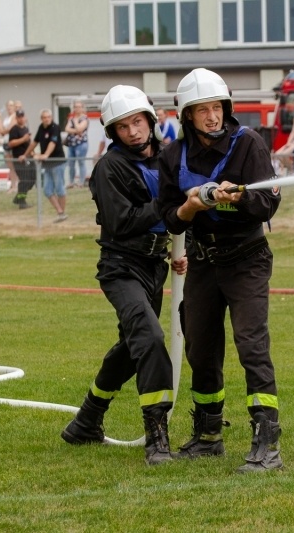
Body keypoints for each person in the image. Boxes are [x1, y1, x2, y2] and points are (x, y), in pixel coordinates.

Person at [158, 68, 284, 473]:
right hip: (202, 261)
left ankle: (267, 442)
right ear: (187, 115)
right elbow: (169, 217)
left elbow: (268, 204)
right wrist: (190, 206)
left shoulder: (248, 144)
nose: (212, 117)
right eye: (202, 110)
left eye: (217, 108)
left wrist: (237, 197)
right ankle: (208, 435)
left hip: (247, 258)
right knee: (200, 346)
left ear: (226, 109)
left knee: (251, 345)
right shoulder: (172, 156)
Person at [60, 84, 187, 466]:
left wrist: (185, 250)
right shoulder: (109, 168)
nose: (133, 131)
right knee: (149, 338)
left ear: (150, 119)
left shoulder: (169, 157)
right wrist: (168, 207)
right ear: (112, 132)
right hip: (121, 268)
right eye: (123, 126)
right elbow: (122, 222)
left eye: (137, 122)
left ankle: (87, 421)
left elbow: (186, 210)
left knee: (133, 348)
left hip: (155, 266)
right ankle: (157, 440)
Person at [20, 109, 68, 223]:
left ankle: (62, 214)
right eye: (44, 117)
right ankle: (60, 212)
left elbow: (52, 143)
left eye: (48, 117)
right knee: (47, 190)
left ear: (51, 117)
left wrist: (45, 155)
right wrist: (25, 155)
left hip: (57, 162)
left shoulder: (55, 127)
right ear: (41, 119)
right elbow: (34, 142)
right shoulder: (41, 128)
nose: (47, 119)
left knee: (60, 189)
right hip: (47, 165)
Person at [8, 109, 35, 209]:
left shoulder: (26, 129)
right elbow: (11, 143)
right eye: (19, 117)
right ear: (16, 118)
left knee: (32, 178)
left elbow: (29, 143)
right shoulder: (14, 129)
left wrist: (32, 152)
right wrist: (23, 139)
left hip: (28, 157)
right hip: (19, 159)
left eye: (22, 116)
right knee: (24, 179)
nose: (21, 119)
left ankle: (18, 198)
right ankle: (21, 201)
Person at [65, 100, 90, 188]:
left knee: (81, 162)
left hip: (81, 144)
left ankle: (81, 182)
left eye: (79, 107)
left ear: (82, 108)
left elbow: (80, 129)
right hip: (71, 144)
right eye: (75, 107)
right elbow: (67, 129)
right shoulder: (71, 118)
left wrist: (76, 122)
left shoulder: (85, 118)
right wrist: (77, 130)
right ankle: (71, 182)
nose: (77, 109)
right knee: (71, 164)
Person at [0, 100, 19, 194]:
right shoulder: (6, 118)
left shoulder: (15, 116)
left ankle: (16, 185)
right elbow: (0, 130)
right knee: (10, 166)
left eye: (11, 105)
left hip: (12, 142)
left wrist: (3, 131)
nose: (9, 107)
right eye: (8, 105)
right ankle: (13, 185)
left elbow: (9, 129)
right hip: (6, 142)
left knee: (15, 165)